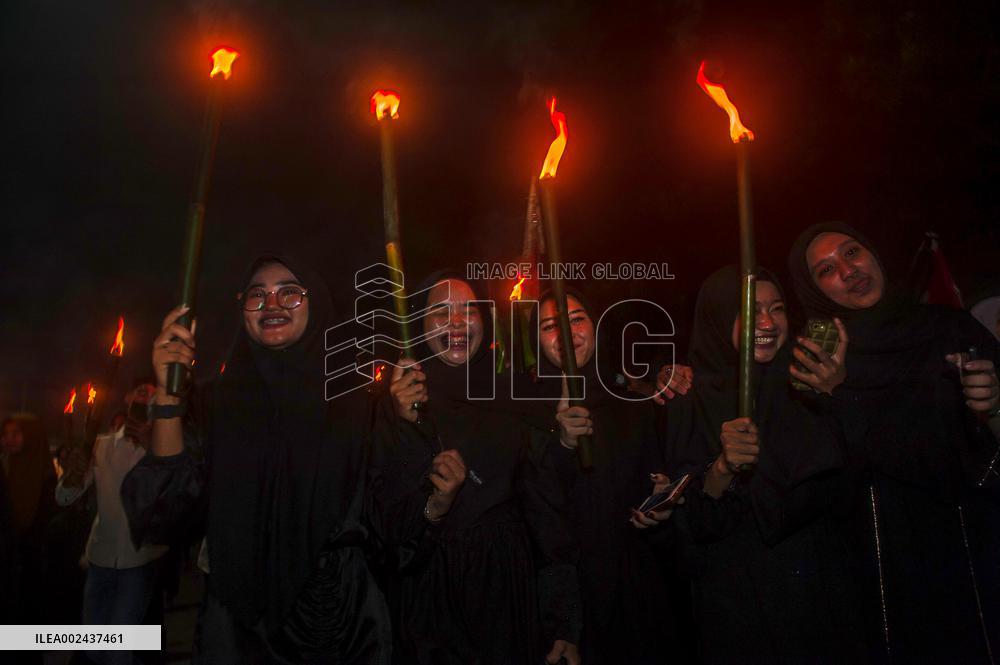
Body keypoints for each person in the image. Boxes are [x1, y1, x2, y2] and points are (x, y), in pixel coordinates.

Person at [122, 255, 391, 664]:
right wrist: (169, 397)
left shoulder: (356, 404)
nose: (272, 305)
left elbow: (394, 514)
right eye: (257, 295)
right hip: (238, 628)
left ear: (315, 303)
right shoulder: (215, 404)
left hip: (340, 624)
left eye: (290, 293)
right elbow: (165, 509)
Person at [788, 222, 1000, 662]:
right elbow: (829, 486)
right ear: (815, 292)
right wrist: (838, 395)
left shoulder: (952, 330)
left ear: (876, 254)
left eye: (851, 252)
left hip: (977, 551)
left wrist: (995, 409)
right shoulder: (818, 369)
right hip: (887, 572)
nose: (847, 272)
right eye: (825, 270)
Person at [640, 266, 870, 663]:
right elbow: (692, 523)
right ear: (718, 317)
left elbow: (854, 485)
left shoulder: (810, 382)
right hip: (740, 600)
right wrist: (724, 467)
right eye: (750, 310)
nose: (766, 322)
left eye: (776, 308)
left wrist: (837, 398)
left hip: (823, 590)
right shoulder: (689, 397)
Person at [371, 272, 581, 665]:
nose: (456, 322)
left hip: (506, 594)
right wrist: (432, 498)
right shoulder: (401, 404)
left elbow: (548, 518)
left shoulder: (512, 398)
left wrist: (562, 620)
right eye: (440, 312)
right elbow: (387, 526)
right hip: (430, 600)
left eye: (469, 310)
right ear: (420, 326)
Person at [530, 287, 695, 664]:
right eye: (551, 326)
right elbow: (542, 519)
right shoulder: (526, 410)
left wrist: (661, 503)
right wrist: (562, 444)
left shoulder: (633, 399)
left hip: (643, 592)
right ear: (536, 341)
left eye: (577, 319)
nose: (568, 333)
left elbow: (666, 488)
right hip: (580, 600)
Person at [56, 376, 164, 664]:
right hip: (101, 558)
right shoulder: (101, 445)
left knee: (118, 649)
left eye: (153, 398)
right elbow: (65, 497)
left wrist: (152, 447)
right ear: (128, 397)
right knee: (93, 645)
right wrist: (72, 475)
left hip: (139, 561)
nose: (145, 400)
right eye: (141, 393)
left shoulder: (164, 453)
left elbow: (173, 496)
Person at [1, 414, 57, 625]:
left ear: (32, 437)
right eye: (5, 434)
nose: (9, 439)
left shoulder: (46, 480)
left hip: (31, 565)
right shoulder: (5, 470)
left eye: (16, 434)